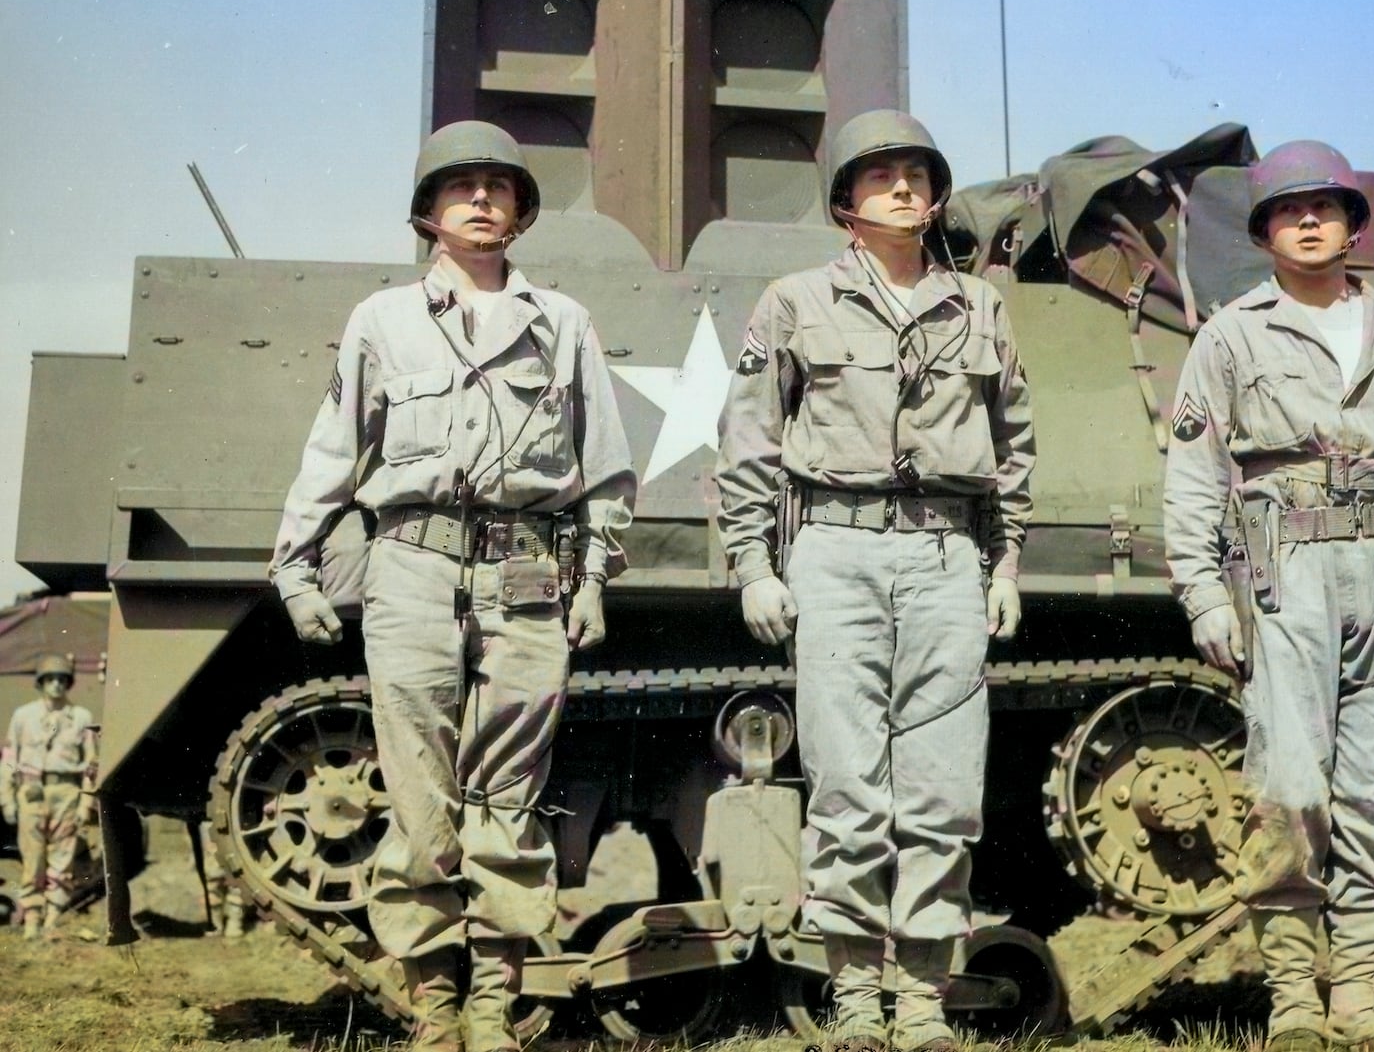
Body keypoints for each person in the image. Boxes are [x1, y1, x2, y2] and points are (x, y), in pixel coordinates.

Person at [270, 120, 636, 1052]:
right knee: (423, 799)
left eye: (498, 187)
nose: (480, 200)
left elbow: (605, 467)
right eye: (460, 187)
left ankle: (493, 1005)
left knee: (510, 798)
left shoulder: (562, 323)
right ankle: (435, 1004)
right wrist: (297, 567)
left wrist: (593, 575)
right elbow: (333, 449)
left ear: (520, 211)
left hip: (527, 571)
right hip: (413, 566)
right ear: (429, 213)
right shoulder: (382, 321)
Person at [715, 110, 1035, 1052]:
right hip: (836, 551)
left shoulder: (980, 308)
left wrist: (1005, 561)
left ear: (935, 196)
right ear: (846, 202)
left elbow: (1014, 444)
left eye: (916, 174)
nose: (901, 187)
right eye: (879, 174)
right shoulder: (794, 302)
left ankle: (926, 993)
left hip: (946, 556)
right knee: (848, 776)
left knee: (940, 781)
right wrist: (753, 565)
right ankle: (857, 990)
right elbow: (749, 442)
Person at [1163, 140, 1374, 1052]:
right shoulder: (1230, 336)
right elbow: (1193, 475)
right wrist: (1204, 598)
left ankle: (1360, 991)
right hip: (1285, 570)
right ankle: (1295, 992)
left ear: (1351, 226)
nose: (1309, 220)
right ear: (1264, 232)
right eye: (1289, 209)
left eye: (1327, 206)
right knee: (1291, 787)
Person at [1, 654, 97, 941]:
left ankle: (52, 919)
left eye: (62, 680)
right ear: (40, 684)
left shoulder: (81, 717)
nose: (56, 685)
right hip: (31, 791)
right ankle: (32, 918)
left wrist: (85, 803)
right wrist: (7, 798)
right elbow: (8, 759)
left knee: (63, 858)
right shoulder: (23, 716)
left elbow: (91, 765)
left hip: (66, 791)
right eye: (50, 679)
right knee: (32, 859)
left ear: (68, 684)